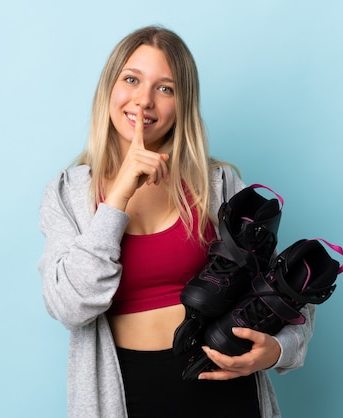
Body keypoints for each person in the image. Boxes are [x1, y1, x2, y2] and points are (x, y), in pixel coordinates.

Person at [38, 25, 315, 418]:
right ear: (109, 89)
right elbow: (69, 305)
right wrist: (116, 199)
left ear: (182, 104)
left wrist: (279, 350)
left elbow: (286, 287)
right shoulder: (68, 194)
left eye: (165, 88)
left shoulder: (216, 185)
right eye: (131, 79)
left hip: (222, 384)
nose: (144, 101)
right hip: (127, 392)